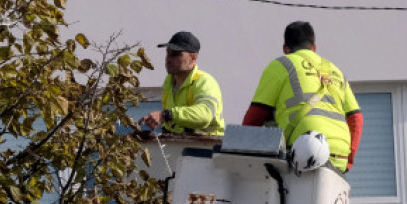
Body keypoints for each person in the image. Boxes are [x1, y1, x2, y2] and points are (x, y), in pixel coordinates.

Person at [242, 21, 363, 172]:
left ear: (286, 49)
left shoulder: (282, 65)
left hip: (305, 147)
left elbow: (256, 115)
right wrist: (349, 159)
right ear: (314, 47)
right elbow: (356, 118)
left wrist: (242, 149)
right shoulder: (335, 70)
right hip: (340, 153)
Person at [138, 31, 225, 136]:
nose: (168, 59)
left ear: (193, 58)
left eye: (175, 54)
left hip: (207, 148)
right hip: (182, 148)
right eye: (168, 53)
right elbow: (174, 126)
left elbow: (205, 115)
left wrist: (166, 115)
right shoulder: (169, 85)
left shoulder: (204, 82)